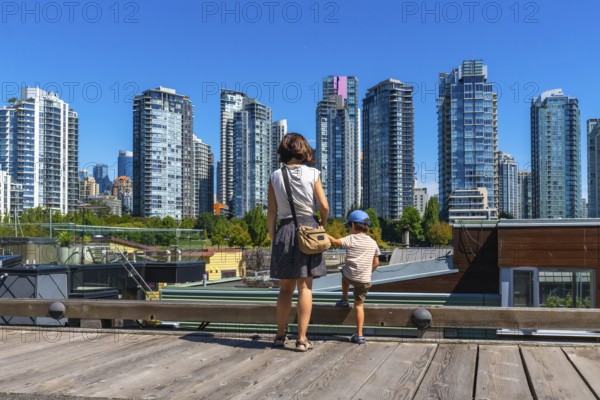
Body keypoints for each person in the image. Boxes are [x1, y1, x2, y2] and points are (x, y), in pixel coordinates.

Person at [268, 133, 329, 352]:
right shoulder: (313, 173)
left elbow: (272, 211)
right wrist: (320, 225)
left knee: (285, 289)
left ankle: (279, 335)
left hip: (284, 229)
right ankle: (302, 339)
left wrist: (273, 237)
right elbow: (324, 206)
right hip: (308, 230)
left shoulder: (275, 176)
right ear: (304, 150)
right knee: (305, 287)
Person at [327, 210, 381, 345]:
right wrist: (368, 272)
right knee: (359, 306)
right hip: (365, 280)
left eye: (348, 226)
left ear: (352, 225)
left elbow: (334, 242)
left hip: (350, 276)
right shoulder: (373, 242)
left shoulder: (351, 238)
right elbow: (376, 263)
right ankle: (360, 335)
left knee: (343, 273)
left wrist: (323, 233)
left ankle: (344, 299)